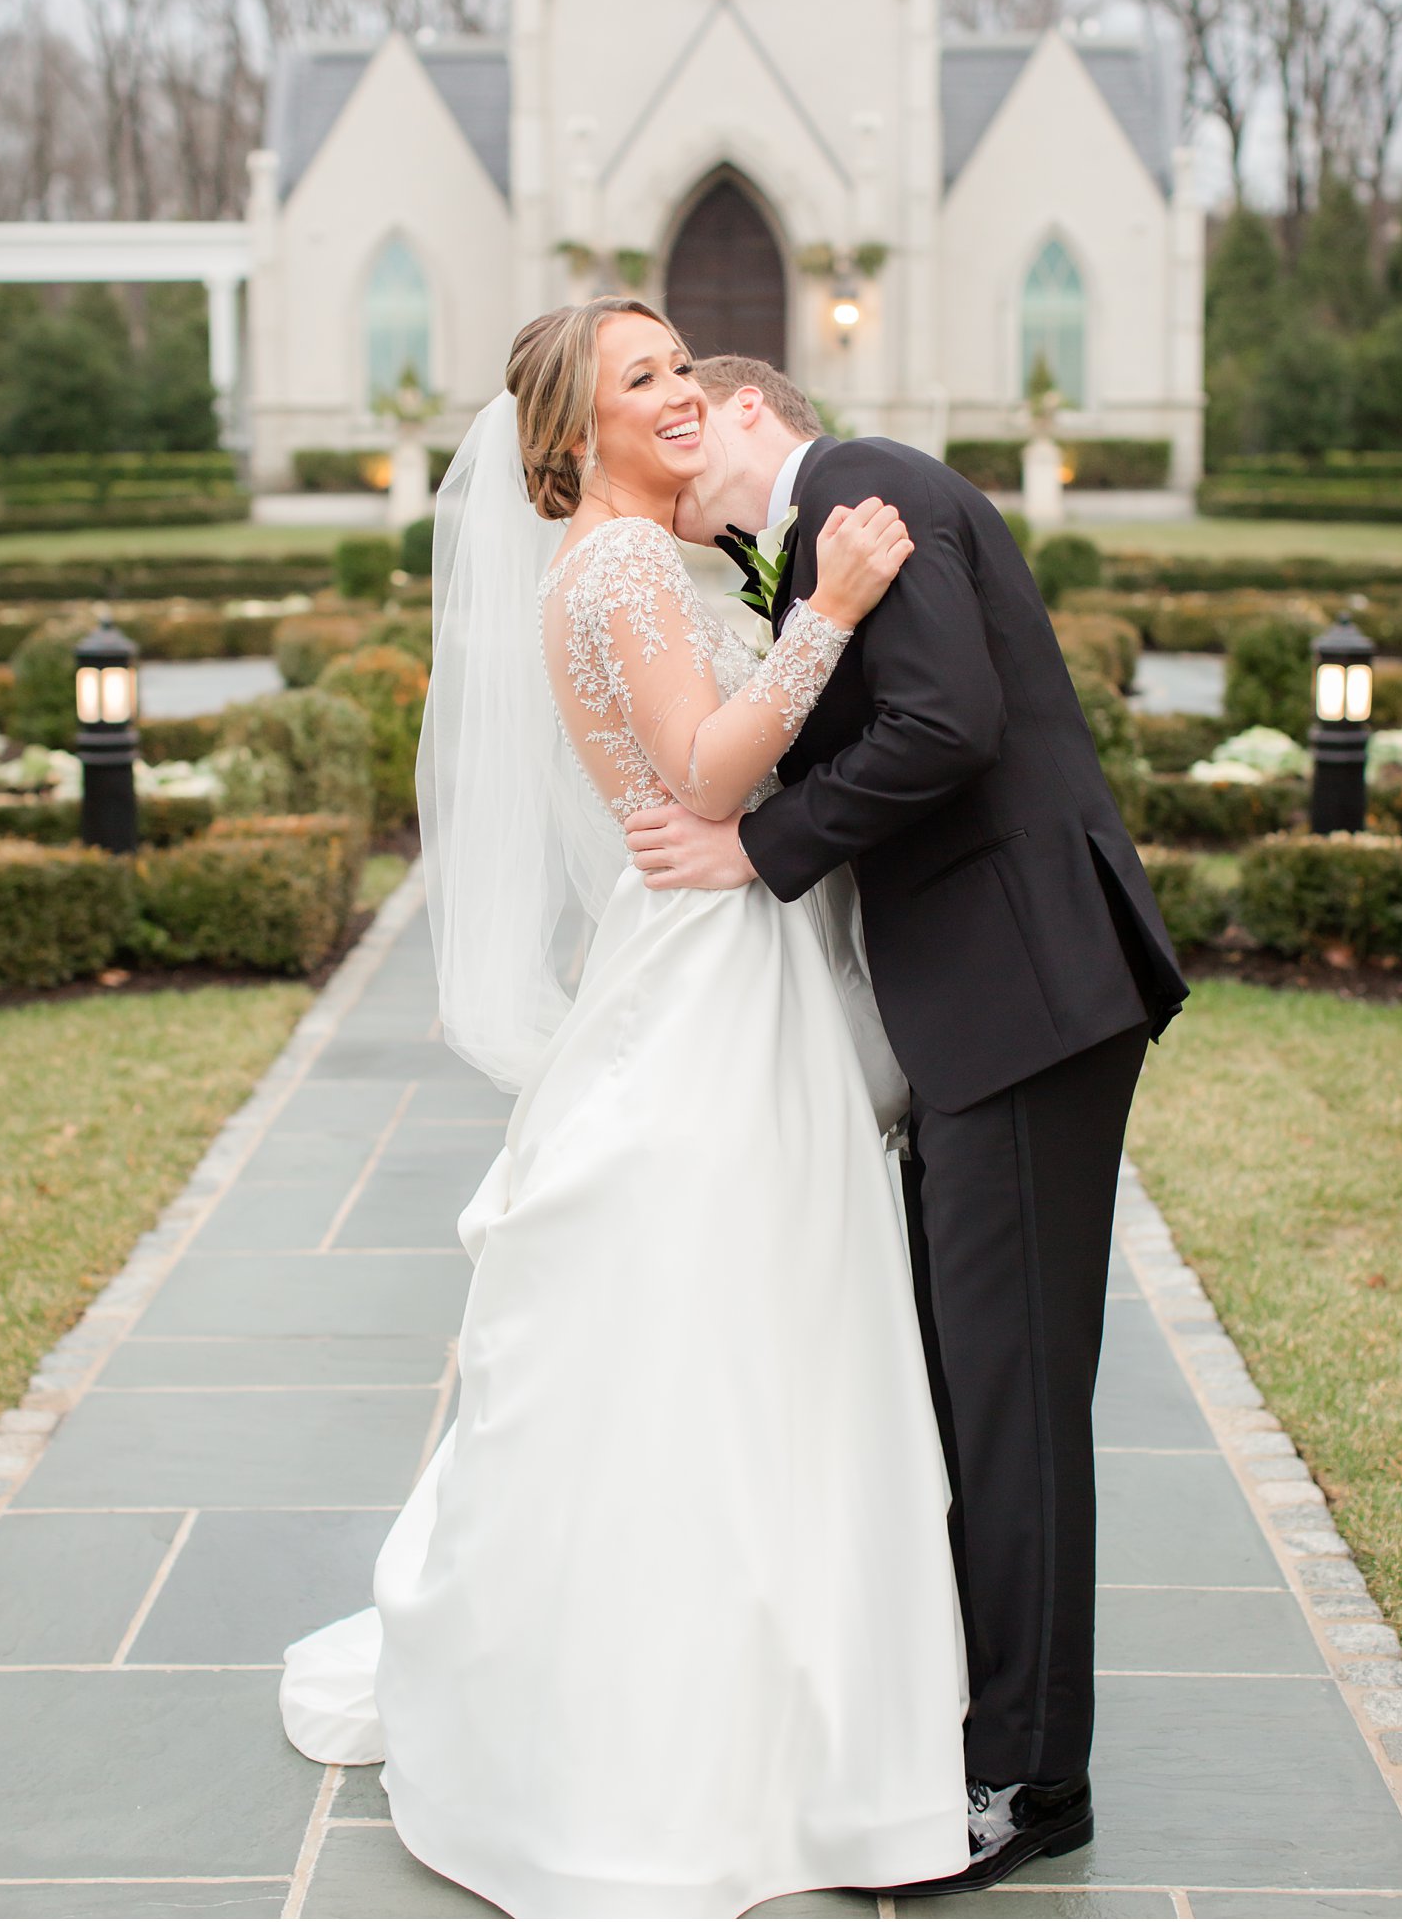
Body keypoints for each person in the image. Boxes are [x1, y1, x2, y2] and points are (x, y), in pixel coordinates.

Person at [279, 300, 974, 1918]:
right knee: (724, 1330)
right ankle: (688, 1750)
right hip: (713, 973)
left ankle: (789, 1718)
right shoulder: (611, 565)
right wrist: (840, 605)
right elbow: (711, 772)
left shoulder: (645, 561)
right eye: (642, 380)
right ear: (574, 434)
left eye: (678, 367)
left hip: (734, 956)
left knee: (761, 1327)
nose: (680, 392)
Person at [627, 354, 1190, 1896]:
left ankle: (1031, 1774)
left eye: (692, 424)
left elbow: (945, 721)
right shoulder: (815, 542)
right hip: (988, 1009)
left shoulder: (859, 483)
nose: (674, 464)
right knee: (973, 1383)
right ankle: (981, 1715)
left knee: (1010, 1400)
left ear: (755, 407)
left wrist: (762, 846)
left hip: (1024, 995)